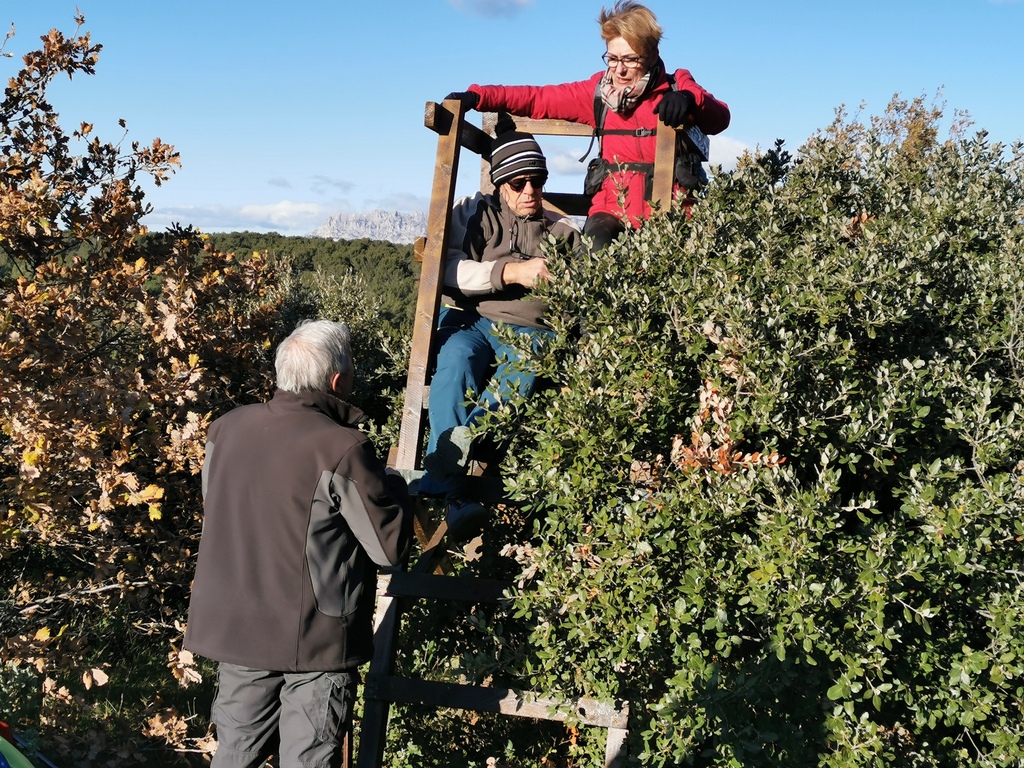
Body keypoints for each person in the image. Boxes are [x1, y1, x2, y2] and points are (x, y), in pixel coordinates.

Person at [184, 319, 413, 768]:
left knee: (234, 753)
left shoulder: (224, 430)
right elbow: (389, 550)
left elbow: (222, 511)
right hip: (314, 641)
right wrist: (397, 488)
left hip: (236, 631)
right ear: (337, 380)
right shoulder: (342, 447)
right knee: (308, 760)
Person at [444, 0, 730, 253]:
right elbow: (537, 98)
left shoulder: (678, 83)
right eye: (613, 58)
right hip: (611, 212)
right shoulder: (597, 94)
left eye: (630, 59)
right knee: (593, 258)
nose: (619, 69)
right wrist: (477, 96)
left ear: (651, 55)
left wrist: (690, 100)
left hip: (673, 214)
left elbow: (721, 118)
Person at [418, 119, 581, 539]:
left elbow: (586, 289)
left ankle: (454, 469)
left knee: (522, 373)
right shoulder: (474, 215)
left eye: (538, 181)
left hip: (530, 328)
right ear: (500, 184)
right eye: (519, 182)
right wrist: (510, 272)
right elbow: (445, 266)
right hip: (472, 318)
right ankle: (451, 472)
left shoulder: (562, 231)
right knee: (455, 360)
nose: (531, 191)